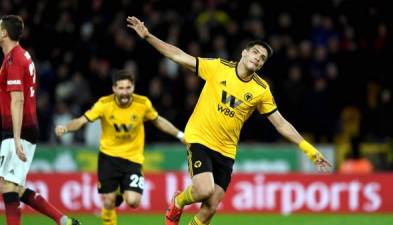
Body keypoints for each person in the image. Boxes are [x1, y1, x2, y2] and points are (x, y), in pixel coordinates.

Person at [126, 16, 332, 225]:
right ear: (244, 53)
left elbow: (281, 123)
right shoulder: (218, 68)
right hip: (200, 138)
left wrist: (309, 149)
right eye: (255, 53)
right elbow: (180, 56)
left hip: (226, 150)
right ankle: (179, 200)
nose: (258, 58)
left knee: (211, 207)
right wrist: (148, 36)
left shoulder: (261, 90)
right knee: (204, 189)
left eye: (262, 58)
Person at [55, 70, 186, 225]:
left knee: (133, 201)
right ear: (114, 89)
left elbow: (158, 121)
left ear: (133, 87)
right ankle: (110, 203)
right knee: (108, 201)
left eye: (128, 88)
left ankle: (115, 198)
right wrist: (66, 127)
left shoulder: (142, 103)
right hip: (108, 158)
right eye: (121, 88)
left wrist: (180, 134)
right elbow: (82, 120)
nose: (125, 92)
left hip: (133, 159)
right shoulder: (104, 104)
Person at [0, 15, 80, 225]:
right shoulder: (18, 56)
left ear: (4, 33)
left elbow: (18, 99)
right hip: (16, 127)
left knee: (9, 187)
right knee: (11, 185)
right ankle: (63, 220)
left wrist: (16, 138)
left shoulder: (14, 58)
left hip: (19, 129)